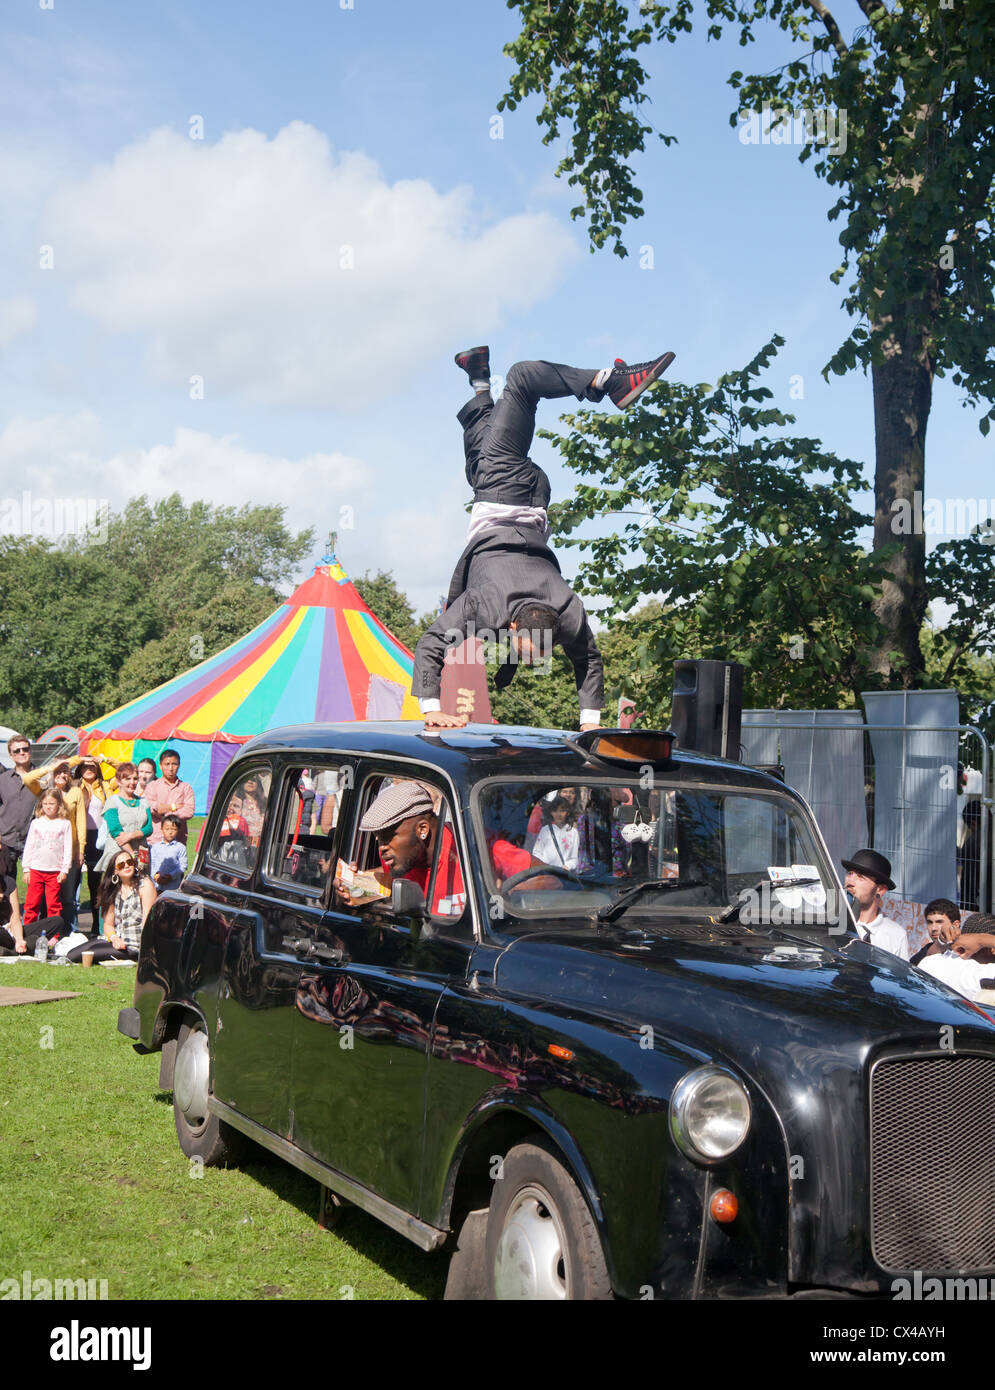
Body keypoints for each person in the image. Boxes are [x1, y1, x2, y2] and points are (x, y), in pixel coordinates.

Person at [412, 348, 675, 734]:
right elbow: (431, 642)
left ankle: (479, 376)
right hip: (506, 487)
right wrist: (430, 707)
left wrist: (590, 726)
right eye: (530, 654)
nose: (534, 663)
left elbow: (589, 659)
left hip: (520, 497)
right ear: (515, 629)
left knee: (478, 461)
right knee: (521, 378)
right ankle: (609, 382)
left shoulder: (568, 611)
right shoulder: (484, 606)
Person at [22, 760, 88, 931]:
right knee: (34, 902)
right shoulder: (44, 794)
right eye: (58, 771)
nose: (61, 775)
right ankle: (31, 932)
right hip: (37, 866)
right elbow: (28, 779)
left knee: (64, 898)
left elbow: (81, 823)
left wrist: (79, 850)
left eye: (65, 771)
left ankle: (63, 932)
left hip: (61, 861)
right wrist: (51, 768)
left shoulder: (75, 793)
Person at [65, 849, 155, 964]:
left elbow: (148, 922)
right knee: (72, 953)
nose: (127, 866)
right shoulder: (114, 890)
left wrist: (146, 951)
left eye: (130, 862)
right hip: (117, 941)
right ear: (115, 871)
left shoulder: (145, 885)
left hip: (134, 946)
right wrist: (114, 938)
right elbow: (108, 924)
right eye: (121, 865)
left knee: (82, 955)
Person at [841, 849, 911, 960]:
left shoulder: (896, 935)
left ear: (880, 889)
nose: (850, 882)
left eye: (860, 877)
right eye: (849, 873)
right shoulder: (832, 923)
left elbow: (899, 976)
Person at [22, 789, 73, 925]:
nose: (48, 807)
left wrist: (64, 870)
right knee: (32, 904)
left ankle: (53, 935)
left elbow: (68, 847)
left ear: (59, 805)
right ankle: (28, 931)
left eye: (52, 803)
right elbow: (29, 846)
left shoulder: (64, 824)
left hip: (54, 871)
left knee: (53, 905)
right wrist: (26, 869)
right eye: (45, 803)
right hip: (36, 869)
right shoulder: (36, 823)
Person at [917, 911, 995, 999]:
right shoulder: (983, 974)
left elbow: (930, 953)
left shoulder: (930, 962)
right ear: (992, 949)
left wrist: (941, 941)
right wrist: (982, 939)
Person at [0, 733, 39, 905]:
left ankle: (38, 925)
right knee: (6, 885)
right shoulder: (2, 780)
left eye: (25, 749)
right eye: (17, 751)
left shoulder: (42, 778)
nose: (22, 753)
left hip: (34, 841)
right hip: (6, 840)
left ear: (30, 751)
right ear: (11, 755)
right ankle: (9, 923)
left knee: (37, 885)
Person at [95, 763, 153, 874]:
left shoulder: (144, 802)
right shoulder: (112, 802)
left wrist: (131, 835)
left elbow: (149, 828)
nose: (132, 782)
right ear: (118, 781)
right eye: (127, 779)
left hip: (141, 851)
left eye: (135, 779)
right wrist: (132, 855)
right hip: (118, 852)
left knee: (142, 884)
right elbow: (116, 832)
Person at [144, 749, 195, 844]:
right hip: (155, 840)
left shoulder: (185, 787)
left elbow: (189, 810)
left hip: (178, 840)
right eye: (167, 764)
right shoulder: (152, 786)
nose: (171, 768)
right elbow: (150, 807)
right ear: (160, 765)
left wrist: (165, 813)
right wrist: (174, 807)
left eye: (174, 764)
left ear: (179, 765)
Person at [532, 795, 580, 872]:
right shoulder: (545, 830)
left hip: (562, 875)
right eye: (555, 811)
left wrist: (567, 866)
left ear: (567, 812)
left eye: (562, 810)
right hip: (545, 873)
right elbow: (536, 852)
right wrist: (543, 866)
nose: (559, 814)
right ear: (551, 812)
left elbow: (574, 858)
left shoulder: (573, 833)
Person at [910, 898, 961, 966]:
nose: (933, 928)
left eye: (939, 922)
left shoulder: (966, 952)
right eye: (930, 922)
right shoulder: (923, 954)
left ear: (955, 925)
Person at [150, 814, 188, 894]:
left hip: (173, 887)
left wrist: (171, 876)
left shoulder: (180, 847)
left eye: (173, 829)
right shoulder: (155, 847)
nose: (170, 832)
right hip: (157, 886)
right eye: (167, 829)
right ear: (161, 829)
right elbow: (151, 864)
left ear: (178, 830)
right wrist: (156, 876)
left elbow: (183, 866)